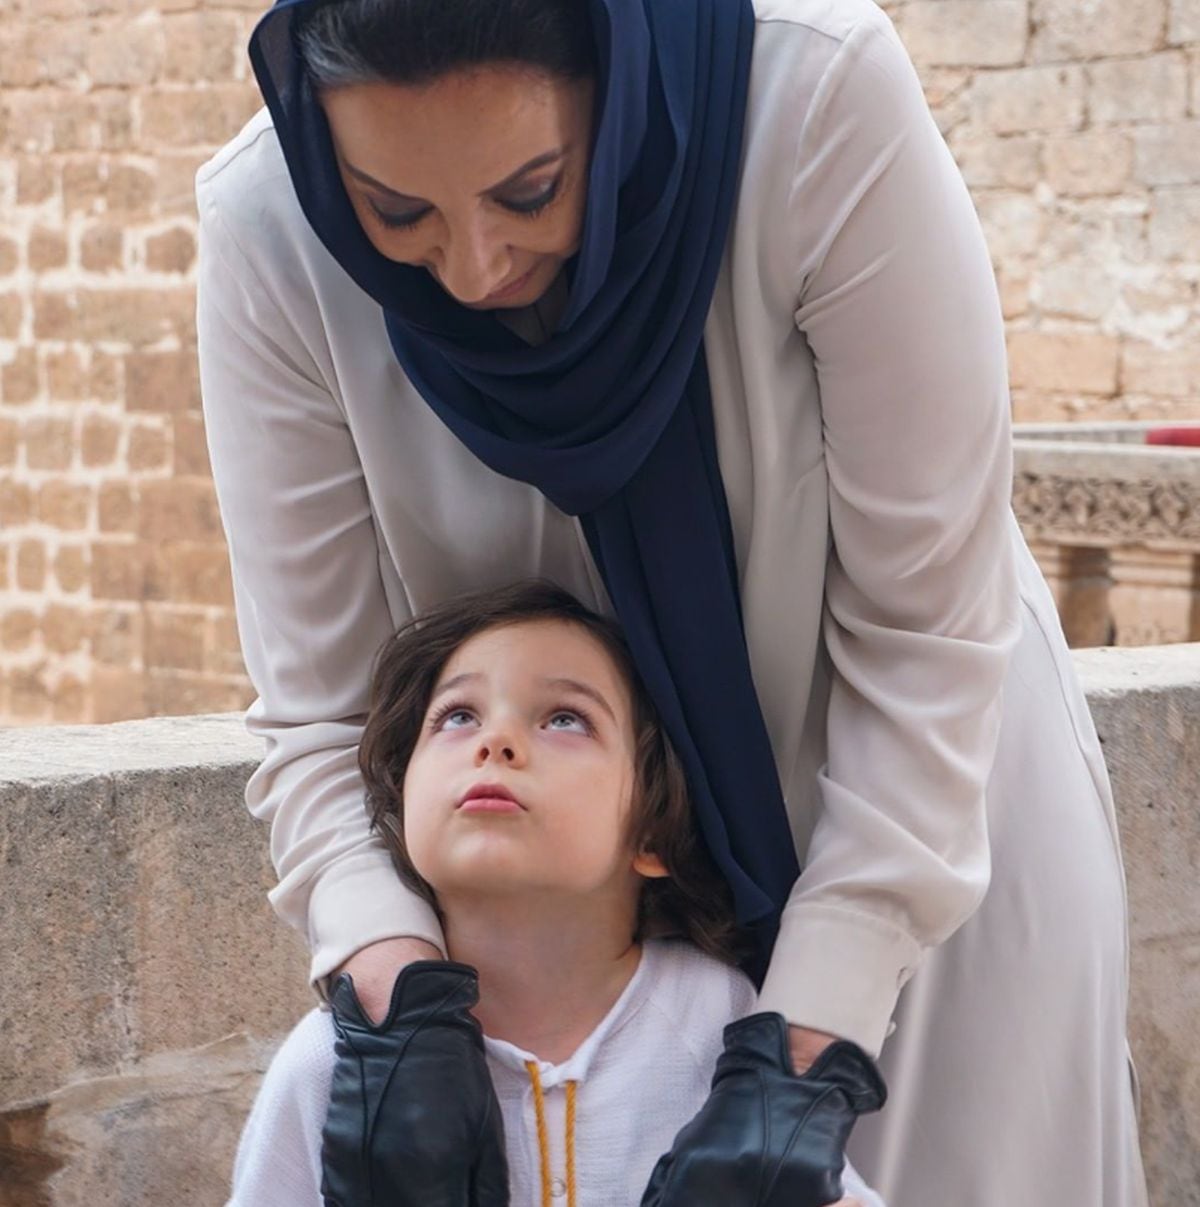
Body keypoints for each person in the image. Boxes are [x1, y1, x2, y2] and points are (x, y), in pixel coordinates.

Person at [197, 0, 1149, 1202]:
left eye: (531, 190)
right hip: (581, 933)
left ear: (611, 74)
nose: (476, 267)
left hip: (926, 827)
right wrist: (399, 1003)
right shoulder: (275, 229)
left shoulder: (815, 104)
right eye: (397, 213)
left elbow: (927, 633)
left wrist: (802, 1055)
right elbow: (324, 712)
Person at [226, 581, 887, 1207]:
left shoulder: (721, 1022)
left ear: (653, 831)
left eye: (566, 719)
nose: (496, 741)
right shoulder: (339, 1062)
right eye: (457, 715)